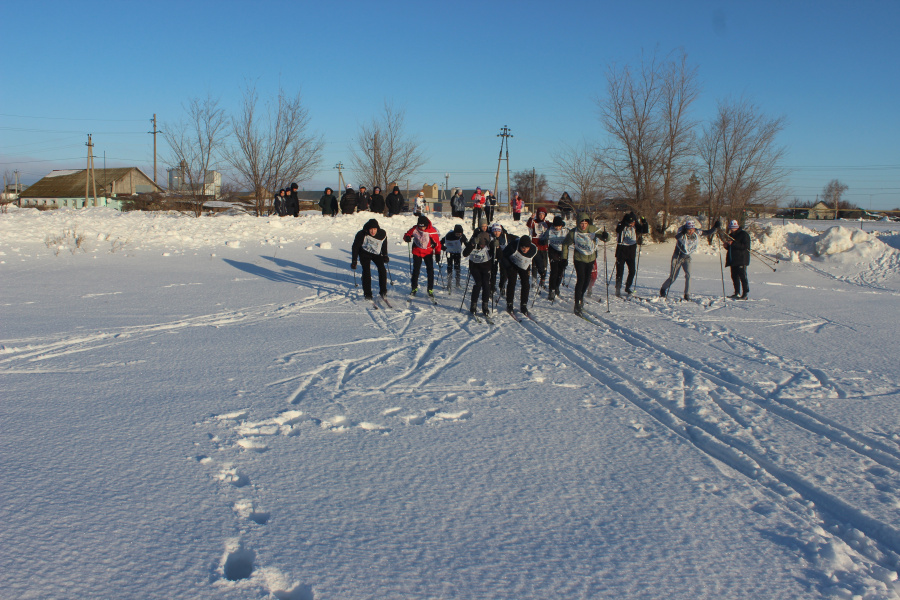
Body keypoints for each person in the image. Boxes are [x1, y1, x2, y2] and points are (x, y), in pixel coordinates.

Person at [659, 218, 719, 300]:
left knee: (688, 275)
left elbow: (707, 232)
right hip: (678, 256)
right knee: (673, 277)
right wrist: (684, 232)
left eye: (692, 229)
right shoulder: (681, 231)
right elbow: (677, 237)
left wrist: (715, 227)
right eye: (689, 230)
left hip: (687, 257)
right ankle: (663, 289)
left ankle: (687, 294)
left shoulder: (696, 232)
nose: (691, 231)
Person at [562, 213, 609, 316]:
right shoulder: (573, 232)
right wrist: (564, 258)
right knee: (581, 279)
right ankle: (577, 303)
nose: (583, 225)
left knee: (587, 280)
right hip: (579, 258)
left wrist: (605, 236)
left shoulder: (592, 229)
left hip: (590, 258)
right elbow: (565, 244)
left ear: (588, 223)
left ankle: (581, 296)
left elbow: (604, 237)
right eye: (581, 223)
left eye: (585, 223)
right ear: (578, 223)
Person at [403, 214, 441, 297]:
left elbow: (437, 243)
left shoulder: (432, 231)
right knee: (416, 270)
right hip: (417, 251)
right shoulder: (415, 229)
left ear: (426, 225)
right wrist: (407, 238)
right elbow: (407, 234)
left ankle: (430, 289)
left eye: (423, 227)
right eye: (420, 227)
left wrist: (437, 254)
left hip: (428, 252)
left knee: (430, 270)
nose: (422, 228)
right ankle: (414, 288)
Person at [462, 221, 495, 317]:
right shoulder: (474, 237)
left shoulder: (490, 239)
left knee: (486, 284)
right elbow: (465, 254)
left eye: (484, 244)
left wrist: (496, 246)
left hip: (486, 265)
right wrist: (472, 245)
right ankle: (473, 305)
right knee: (478, 283)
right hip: (475, 266)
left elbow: (498, 255)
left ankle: (485, 305)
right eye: (481, 244)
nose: (482, 246)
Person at [351, 218, 389, 300]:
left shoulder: (382, 233)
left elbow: (384, 244)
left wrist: (385, 255)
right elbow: (355, 247)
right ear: (368, 229)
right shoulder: (361, 234)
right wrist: (354, 260)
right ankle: (367, 294)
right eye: (371, 229)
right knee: (366, 271)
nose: (373, 231)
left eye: (374, 229)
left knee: (382, 269)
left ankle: (383, 291)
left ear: (377, 229)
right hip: (364, 253)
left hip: (376, 253)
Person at [501, 234, 538, 316]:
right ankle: (509, 303)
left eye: (527, 248)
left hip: (524, 265)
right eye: (523, 247)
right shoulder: (513, 245)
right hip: (512, 264)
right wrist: (508, 266)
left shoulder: (533, 249)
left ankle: (524, 304)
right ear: (520, 246)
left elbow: (538, 259)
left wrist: (542, 270)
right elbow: (503, 256)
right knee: (512, 282)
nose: (525, 249)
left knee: (526, 284)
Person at [614, 212, 649, 297]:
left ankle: (628, 287)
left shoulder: (635, 226)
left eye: (633, 222)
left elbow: (644, 230)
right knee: (620, 271)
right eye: (630, 222)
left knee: (632, 271)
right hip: (621, 250)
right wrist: (625, 224)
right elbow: (618, 230)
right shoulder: (621, 225)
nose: (632, 224)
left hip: (631, 250)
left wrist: (644, 222)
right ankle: (618, 288)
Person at [542, 216, 569, 301]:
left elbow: (571, 239)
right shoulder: (550, 230)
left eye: (559, 226)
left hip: (563, 252)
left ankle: (557, 286)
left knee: (560, 271)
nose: (557, 228)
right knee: (554, 271)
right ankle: (552, 290)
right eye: (556, 226)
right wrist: (543, 240)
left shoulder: (565, 230)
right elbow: (544, 237)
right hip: (553, 251)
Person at [723, 219, 751, 299]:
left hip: (741, 258)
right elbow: (731, 247)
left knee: (742, 276)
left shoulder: (744, 234)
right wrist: (727, 246)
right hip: (733, 259)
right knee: (734, 276)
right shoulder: (731, 235)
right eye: (731, 228)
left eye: (733, 228)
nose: (731, 229)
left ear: (737, 227)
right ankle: (737, 292)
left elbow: (745, 247)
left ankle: (745, 293)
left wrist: (733, 243)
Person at [527, 206, 551, 289]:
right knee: (535, 264)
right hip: (535, 246)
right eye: (539, 214)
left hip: (544, 246)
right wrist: (531, 218)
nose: (541, 216)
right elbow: (529, 225)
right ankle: (534, 280)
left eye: (542, 214)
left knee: (544, 264)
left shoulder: (547, 223)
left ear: (545, 215)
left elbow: (554, 227)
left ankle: (543, 278)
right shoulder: (534, 222)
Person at [489, 222, 514, 295]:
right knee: (493, 272)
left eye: (498, 231)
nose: (496, 233)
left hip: (503, 256)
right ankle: (492, 287)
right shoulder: (490, 236)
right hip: (493, 256)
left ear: (501, 231)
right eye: (495, 231)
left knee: (504, 272)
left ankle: (502, 286)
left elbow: (516, 239)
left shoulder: (505, 236)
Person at [441, 223, 468, 289]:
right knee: (449, 266)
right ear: (454, 232)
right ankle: (449, 283)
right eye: (457, 234)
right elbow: (440, 242)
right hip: (449, 253)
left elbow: (467, 244)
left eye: (460, 234)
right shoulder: (449, 235)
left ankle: (457, 282)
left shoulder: (462, 236)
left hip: (457, 253)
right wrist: (443, 247)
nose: (458, 235)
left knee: (457, 267)